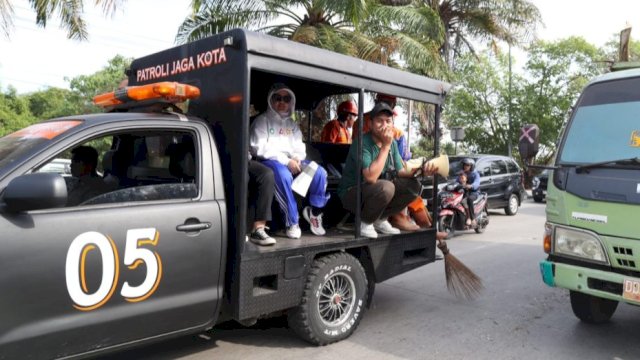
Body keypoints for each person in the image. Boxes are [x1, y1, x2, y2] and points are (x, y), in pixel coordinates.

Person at [337, 102, 438, 238]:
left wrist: (421, 171)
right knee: (387, 187)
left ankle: (379, 219)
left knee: (413, 186)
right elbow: (370, 177)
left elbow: (401, 171)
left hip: (375, 192)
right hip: (351, 193)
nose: (384, 125)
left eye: (388, 121)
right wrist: (385, 146)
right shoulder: (362, 142)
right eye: (379, 121)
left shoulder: (393, 143)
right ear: (371, 124)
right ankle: (365, 222)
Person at [250, 83, 330, 239]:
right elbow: (259, 148)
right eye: (277, 98)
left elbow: (299, 146)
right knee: (283, 175)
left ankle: (315, 212)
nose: (282, 102)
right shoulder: (261, 121)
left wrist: (296, 158)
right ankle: (292, 222)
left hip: (292, 162)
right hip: (270, 161)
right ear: (270, 100)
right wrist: (286, 161)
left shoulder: (292, 125)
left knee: (318, 172)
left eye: (286, 99)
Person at [248, 157, 276, 246]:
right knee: (241, 174)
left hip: (247, 158)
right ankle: (237, 231)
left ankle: (258, 230)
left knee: (267, 174)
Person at [458, 158, 480, 226]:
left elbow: (477, 183)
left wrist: (471, 186)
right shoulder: (462, 174)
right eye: (464, 165)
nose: (465, 166)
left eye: (467, 165)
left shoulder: (475, 174)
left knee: (469, 199)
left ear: (471, 166)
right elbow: (456, 181)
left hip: (474, 193)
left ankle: (472, 218)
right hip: (465, 192)